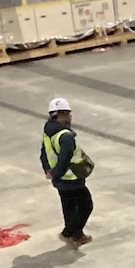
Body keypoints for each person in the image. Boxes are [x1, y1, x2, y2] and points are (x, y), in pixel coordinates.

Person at [39, 98, 94, 248]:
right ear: (62, 115)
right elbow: (65, 159)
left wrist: (48, 170)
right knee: (86, 205)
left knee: (68, 205)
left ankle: (68, 232)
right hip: (71, 178)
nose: (70, 117)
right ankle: (75, 234)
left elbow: (43, 152)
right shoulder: (66, 136)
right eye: (68, 114)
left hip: (59, 180)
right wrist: (56, 173)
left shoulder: (48, 129)